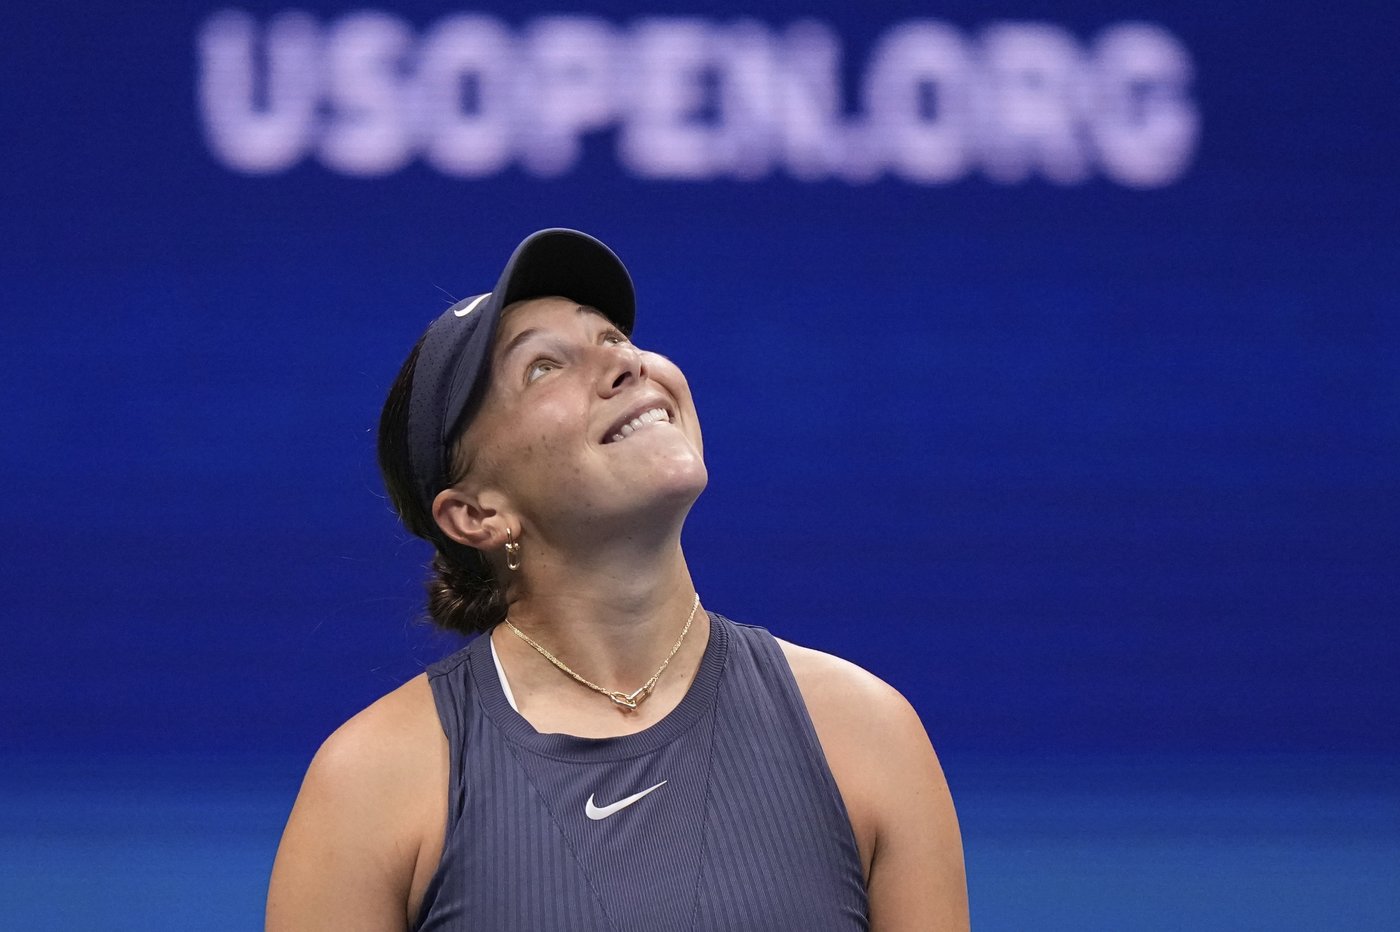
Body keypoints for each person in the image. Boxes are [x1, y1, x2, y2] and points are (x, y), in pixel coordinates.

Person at [266, 229, 968, 931]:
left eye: (611, 339)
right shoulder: (370, 785)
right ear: (476, 513)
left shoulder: (869, 733)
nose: (626, 366)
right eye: (543, 367)